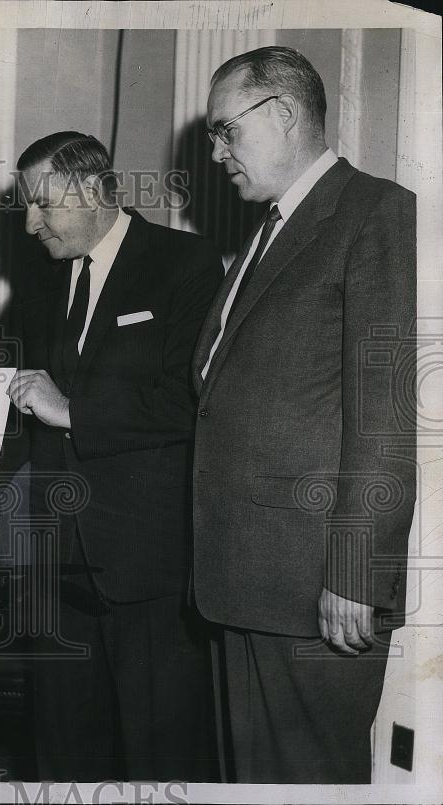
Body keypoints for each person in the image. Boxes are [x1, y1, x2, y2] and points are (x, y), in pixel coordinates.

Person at [192, 46, 416, 783]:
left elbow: (385, 413)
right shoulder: (267, 229)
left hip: (317, 587)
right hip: (244, 577)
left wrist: (356, 568)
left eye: (227, 130)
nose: (218, 152)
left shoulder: (376, 212)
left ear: (284, 113)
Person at [6, 132, 223, 781]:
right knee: (64, 758)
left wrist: (71, 410)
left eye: (42, 203)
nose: (29, 221)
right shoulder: (41, 281)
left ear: (96, 191)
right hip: (57, 572)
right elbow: (20, 405)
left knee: (160, 760)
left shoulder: (184, 262)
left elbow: (189, 404)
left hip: (145, 574)